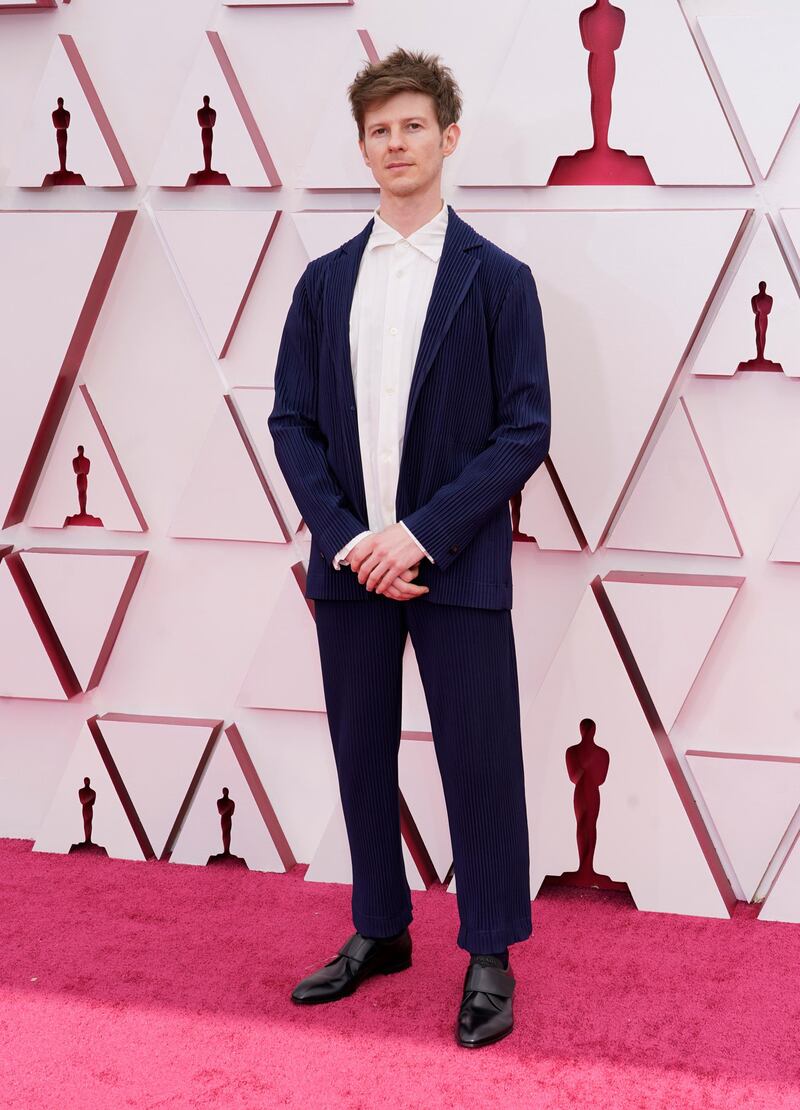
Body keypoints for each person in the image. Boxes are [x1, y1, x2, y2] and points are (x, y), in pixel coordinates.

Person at [268, 46, 551, 1048]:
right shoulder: (320, 284)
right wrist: (349, 539)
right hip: (349, 569)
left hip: (456, 564)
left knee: (479, 761)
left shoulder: (500, 282)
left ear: (448, 138)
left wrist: (420, 535)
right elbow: (290, 424)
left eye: (412, 126)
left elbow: (524, 432)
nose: (395, 143)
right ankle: (378, 929)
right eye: (378, 130)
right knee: (357, 755)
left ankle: (487, 952)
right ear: (363, 146)